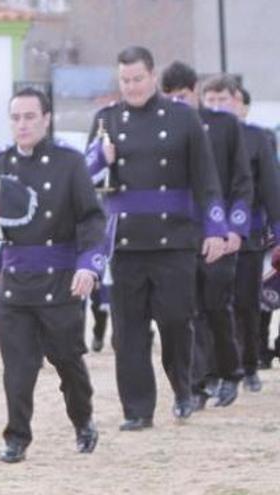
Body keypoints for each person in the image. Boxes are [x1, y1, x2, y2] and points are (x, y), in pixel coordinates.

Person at [90, 46, 227, 430]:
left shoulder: (184, 119)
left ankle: (184, 389)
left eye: (138, 79)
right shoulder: (107, 121)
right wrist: (101, 159)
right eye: (125, 80)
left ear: (152, 77)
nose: (132, 86)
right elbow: (85, 180)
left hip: (175, 242)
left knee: (175, 322)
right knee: (128, 332)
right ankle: (137, 410)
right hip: (126, 243)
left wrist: (216, 228)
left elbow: (207, 179)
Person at [0, 87, 104, 463]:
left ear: (46, 119)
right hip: (15, 284)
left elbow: (91, 218)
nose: (22, 124)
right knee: (18, 366)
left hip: (60, 280)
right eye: (15, 117)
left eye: (30, 117)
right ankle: (17, 437)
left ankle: (83, 421)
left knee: (68, 361)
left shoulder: (69, 162)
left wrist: (88, 264)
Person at [160, 64, 252, 409]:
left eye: (182, 96)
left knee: (216, 308)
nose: (176, 103)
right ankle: (196, 384)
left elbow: (242, 181)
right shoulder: (163, 127)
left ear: (194, 90)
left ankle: (230, 372)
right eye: (170, 97)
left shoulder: (225, 126)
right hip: (181, 237)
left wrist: (235, 229)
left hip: (220, 231)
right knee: (187, 312)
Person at [218, 84, 280, 384]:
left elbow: (270, 188)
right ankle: (219, 368)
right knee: (214, 304)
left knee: (246, 302)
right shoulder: (202, 136)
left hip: (251, 233)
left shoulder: (258, 139)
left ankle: (250, 363)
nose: (219, 105)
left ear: (242, 106)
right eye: (212, 98)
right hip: (213, 235)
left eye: (225, 99)